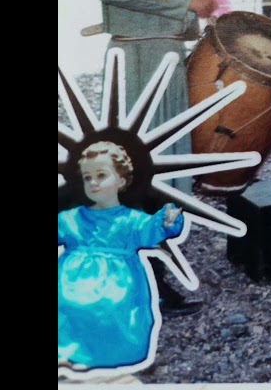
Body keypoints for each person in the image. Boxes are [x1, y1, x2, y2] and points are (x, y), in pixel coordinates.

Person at [91, 0, 219, 313]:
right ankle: (139, 276)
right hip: (142, 51)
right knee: (145, 166)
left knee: (155, 164)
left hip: (156, 47)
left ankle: (146, 263)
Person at [58, 142, 185, 372]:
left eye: (101, 175)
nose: (93, 182)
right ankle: (71, 353)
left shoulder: (131, 220)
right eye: (87, 177)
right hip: (71, 281)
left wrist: (166, 222)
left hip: (118, 281)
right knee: (67, 306)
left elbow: (150, 231)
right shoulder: (72, 218)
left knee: (117, 312)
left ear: (121, 180)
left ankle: (116, 356)